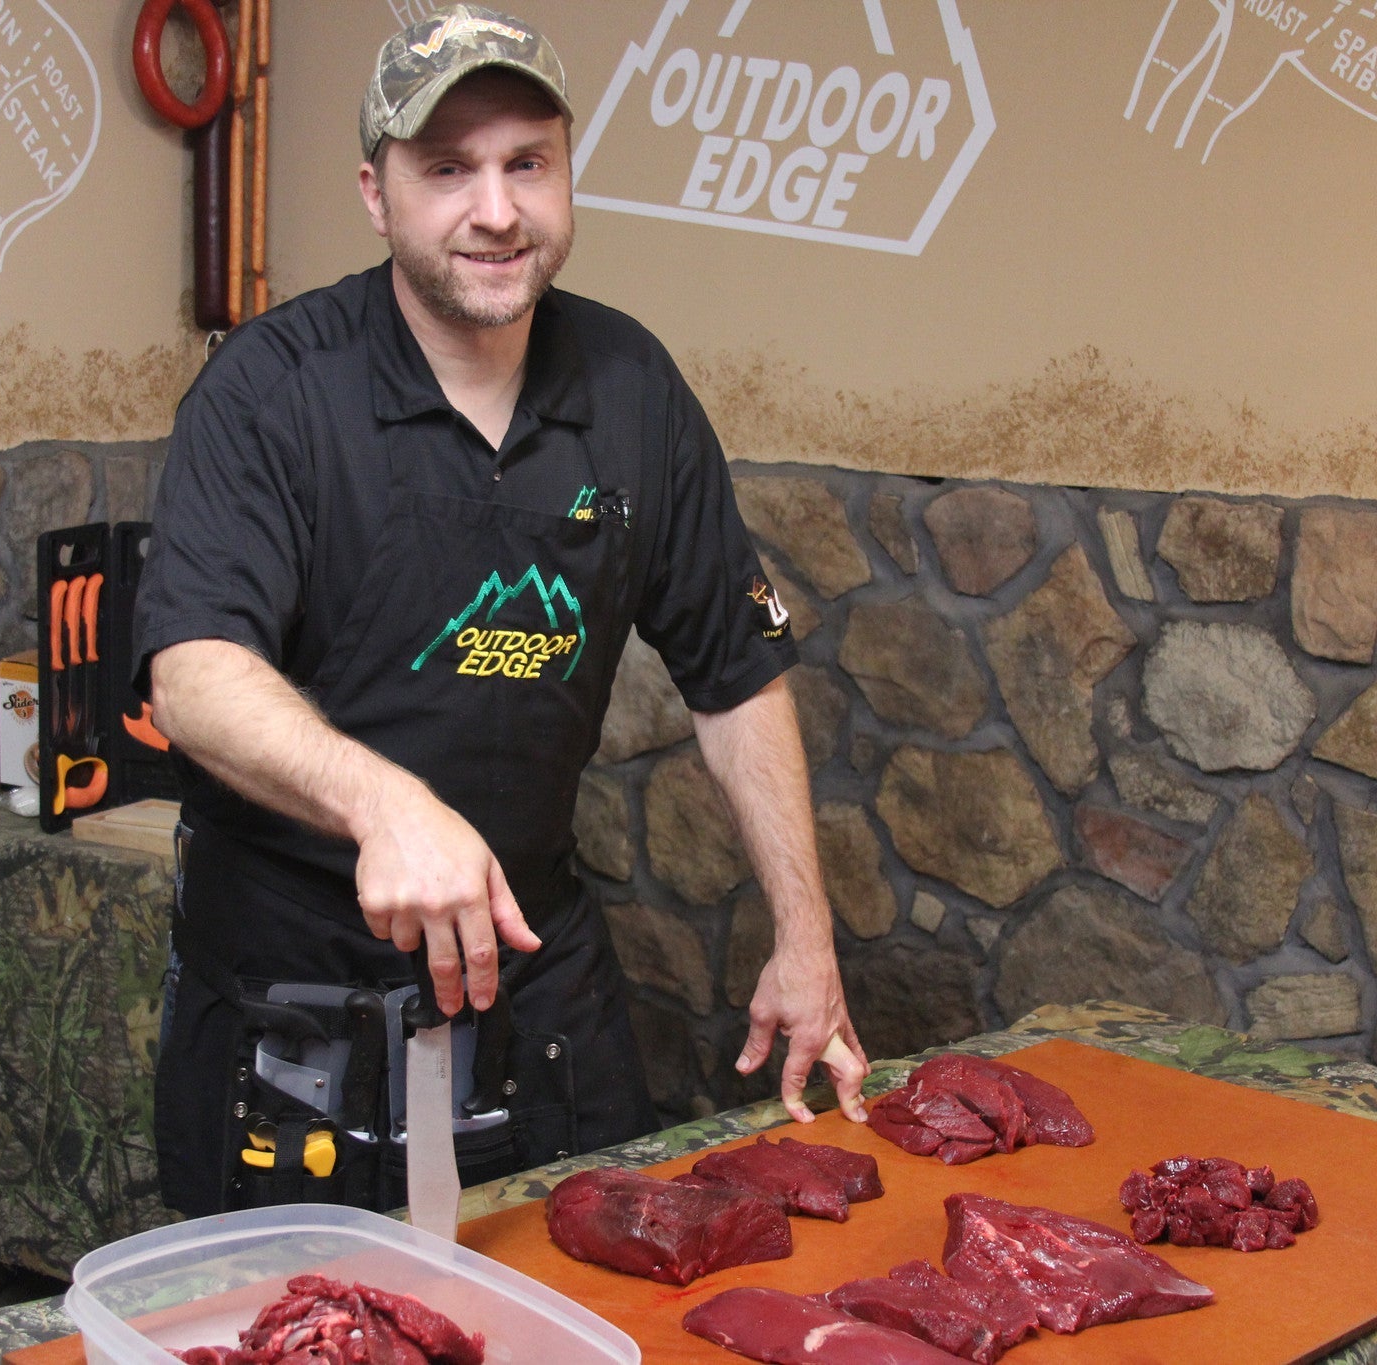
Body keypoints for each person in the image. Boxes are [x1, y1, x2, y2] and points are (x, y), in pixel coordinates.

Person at [135, 3, 867, 1218]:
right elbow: (193, 675)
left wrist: (805, 942)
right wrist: (387, 806)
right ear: (376, 195)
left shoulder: (631, 390)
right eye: (446, 170)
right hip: (293, 1001)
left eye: (527, 164)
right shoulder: (271, 387)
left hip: (536, 991)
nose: (495, 210)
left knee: (587, 1295)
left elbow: (735, 675)